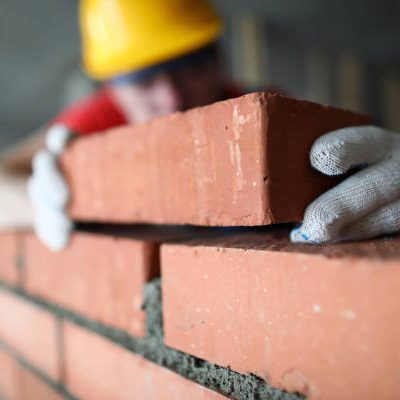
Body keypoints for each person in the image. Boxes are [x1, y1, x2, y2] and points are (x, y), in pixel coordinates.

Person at [28, 0, 400, 251]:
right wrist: (35, 200)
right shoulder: (96, 123)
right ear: (112, 88)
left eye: (190, 69)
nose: (172, 99)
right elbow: (9, 172)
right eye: (144, 82)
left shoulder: (266, 110)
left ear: (219, 59)